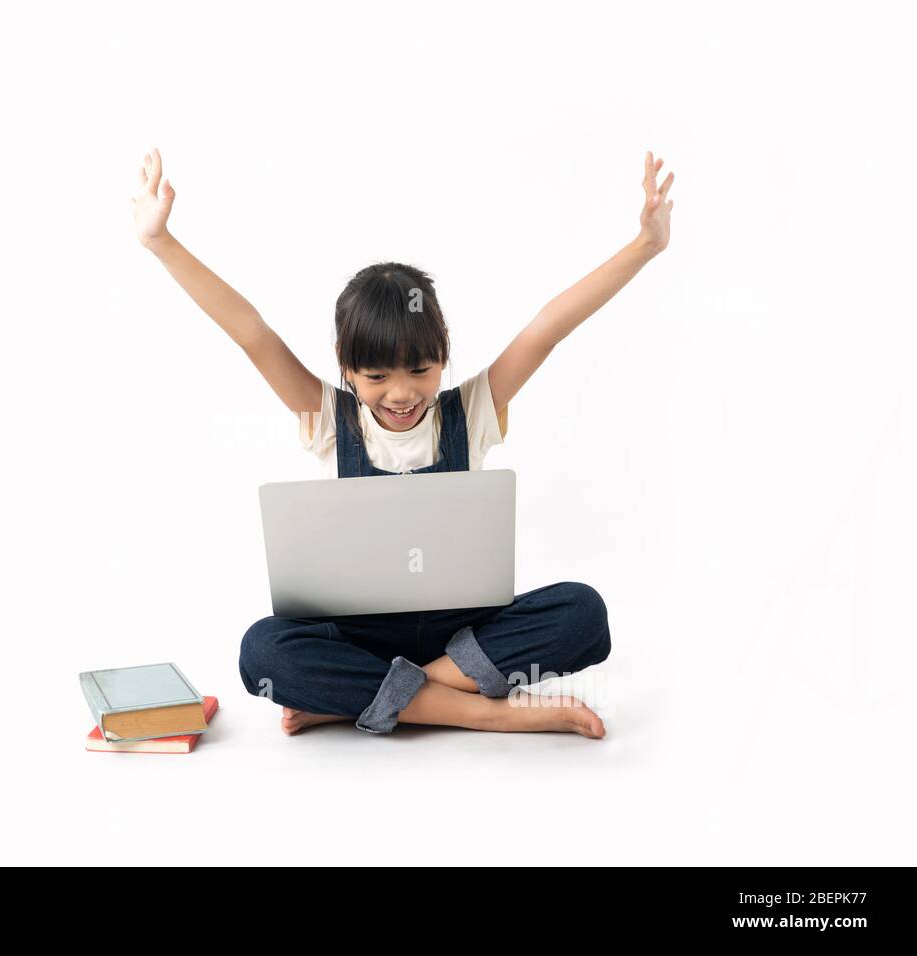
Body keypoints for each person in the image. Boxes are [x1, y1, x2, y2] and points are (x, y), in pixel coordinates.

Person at [131, 146, 674, 739]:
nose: (401, 393)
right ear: (346, 369)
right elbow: (250, 331)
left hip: (461, 633)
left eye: (420, 370)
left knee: (584, 613)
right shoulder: (330, 418)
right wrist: (162, 243)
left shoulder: (472, 411)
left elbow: (547, 327)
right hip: (361, 633)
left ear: (443, 353)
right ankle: (481, 711)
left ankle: (365, 697)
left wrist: (644, 245)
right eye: (376, 377)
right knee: (263, 652)